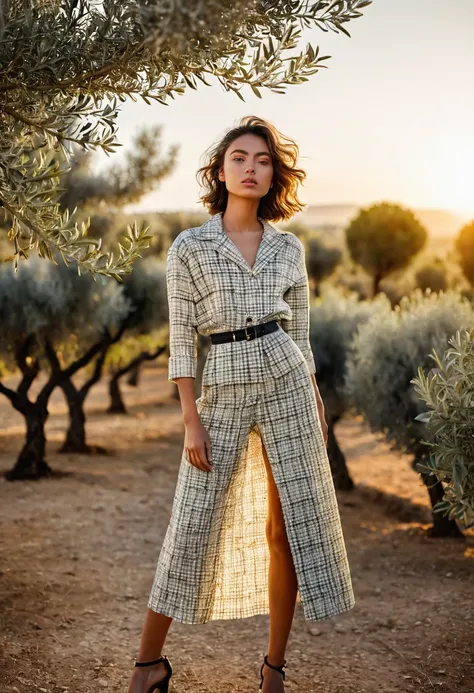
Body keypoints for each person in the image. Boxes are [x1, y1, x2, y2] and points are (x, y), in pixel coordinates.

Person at [128, 115, 355, 693]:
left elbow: (300, 334)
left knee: (291, 531)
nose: (251, 169)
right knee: (191, 525)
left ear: (273, 174)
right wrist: (189, 419)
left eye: (262, 160)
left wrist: (314, 395)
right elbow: (182, 339)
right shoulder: (190, 247)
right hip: (223, 385)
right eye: (239, 159)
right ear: (221, 171)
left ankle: (273, 668)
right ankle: (148, 664)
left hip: (287, 382)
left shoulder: (287, 247)